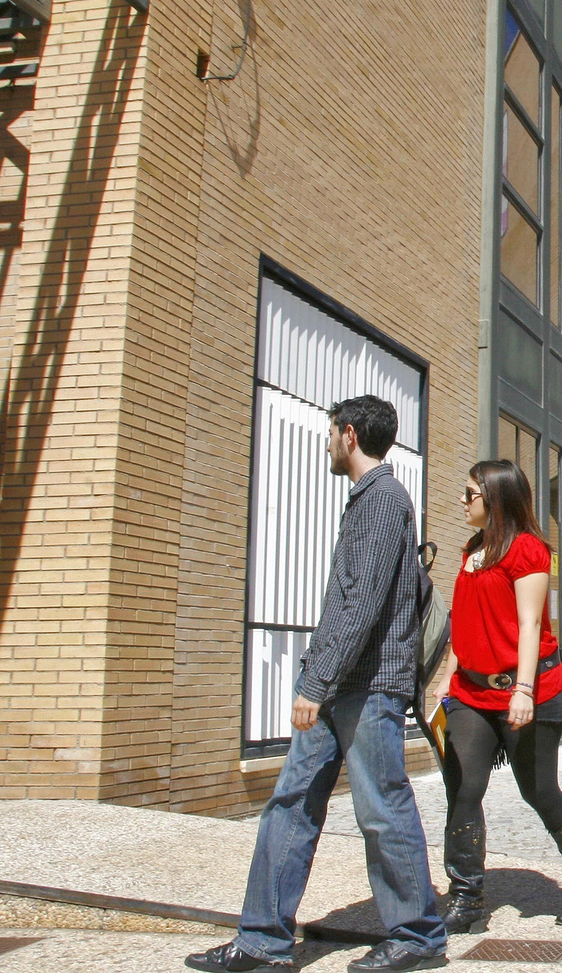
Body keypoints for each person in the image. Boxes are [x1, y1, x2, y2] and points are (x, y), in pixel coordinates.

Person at [187, 396, 447, 973]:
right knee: (290, 805)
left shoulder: (382, 500)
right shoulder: (367, 501)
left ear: (349, 435)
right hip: (335, 687)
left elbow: (362, 602)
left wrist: (316, 680)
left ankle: (419, 935)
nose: (328, 444)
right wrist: (319, 679)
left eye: (332, 434)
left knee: (381, 808)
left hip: (367, 688)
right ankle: (262, 941)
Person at [432, 459, 562, 937]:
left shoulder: (529, 550)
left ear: (494, 499)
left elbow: (532, 624)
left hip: (528, 691)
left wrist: (524, 689)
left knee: (538, 791)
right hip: (470, 693)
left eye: (469, 493)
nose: (462, 500)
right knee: (463, 790)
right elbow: (464, 626)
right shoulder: (471, 551)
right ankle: (466, 897)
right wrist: (446, 685)